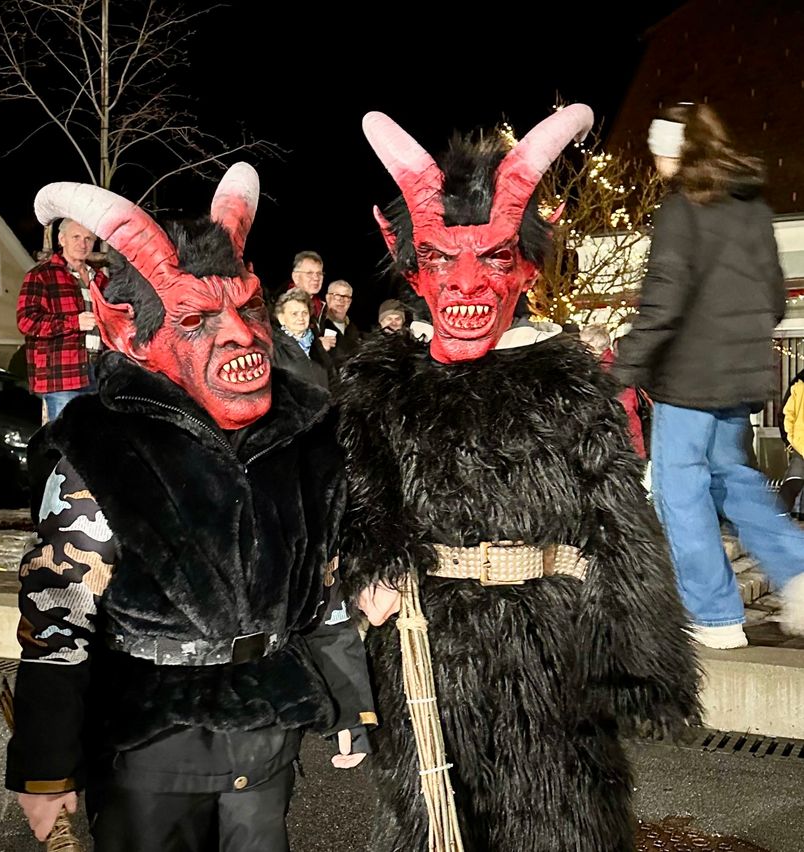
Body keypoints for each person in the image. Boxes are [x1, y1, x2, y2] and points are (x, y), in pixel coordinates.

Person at [336, 108, 700, 852]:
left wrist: (640, 662)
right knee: (436, 818)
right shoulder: (381, 387)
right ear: (412, 269)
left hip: (551, 648)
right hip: (425, 650)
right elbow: (360, 496)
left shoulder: (568, 386)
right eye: (441, 260)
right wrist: (370, 566)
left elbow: (618, 520)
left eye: (496, 258)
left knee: (561, 815)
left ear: (528, 267)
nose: (467, 283)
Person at [5, 165, 375, 851]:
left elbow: (321, 583)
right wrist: (47, 768)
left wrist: (350, 698)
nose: (241, 335)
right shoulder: (99, 447)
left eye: (249, 306)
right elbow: (58, 609)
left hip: (266, 739)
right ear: (131, 332)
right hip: (150, 746)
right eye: (198, 319)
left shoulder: (300, 436)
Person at [613, 102, 804, 650]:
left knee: (681, 489)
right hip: (738, 378)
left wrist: (621, 370)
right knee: (732, 476)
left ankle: (714, 614)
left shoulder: (681, 209)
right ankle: (796, 571)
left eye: (658, 154)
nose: (656, 165)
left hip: (691, 380)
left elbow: (663, 303)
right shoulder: (753, 207)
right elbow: (772, 296)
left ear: (676, 151)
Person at [16, 218, 105, 421]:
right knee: (65, 443)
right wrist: (74, 322)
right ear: (61, 239)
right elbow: (26, 321)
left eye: (88, 239)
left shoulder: (100, 279)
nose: (83, 244)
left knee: (95, 442)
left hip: (100, 372)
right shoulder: (41, 276)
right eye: (76, 237)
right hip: (62, 374)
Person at [580, 322, 648, 459]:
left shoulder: (608, 371)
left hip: (623, 444)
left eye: (582, 343)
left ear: (593, 345)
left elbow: (626, 407)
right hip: (626, 441)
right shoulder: (609, 366)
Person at [273, 288, 335, 389]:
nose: (301, 318)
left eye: (304, 313)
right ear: (281, 318)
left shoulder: (315, 343)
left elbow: (330, 375)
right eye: (294, 314)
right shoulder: (275, 348)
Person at [780, 367, 804, 516]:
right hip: (799, 443)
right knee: (794, 479)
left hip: (800, 442)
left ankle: (778, 516)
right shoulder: (799, 386)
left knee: (794, 480)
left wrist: (790, 439)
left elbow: (786, 415)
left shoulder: (799, 386)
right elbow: (786, 415)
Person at [321, 279, 362, 364]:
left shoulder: (355, 331)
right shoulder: (319, 325)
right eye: (337, 295)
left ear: (350, 302)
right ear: (327, 298)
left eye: (346, 297)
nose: (341, 300)